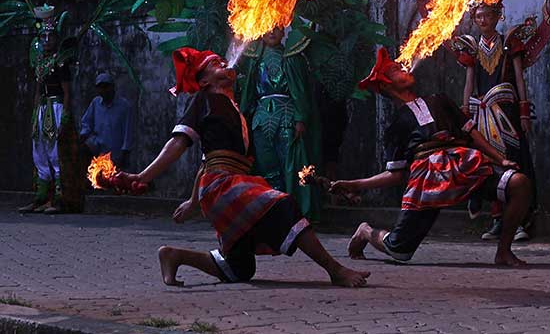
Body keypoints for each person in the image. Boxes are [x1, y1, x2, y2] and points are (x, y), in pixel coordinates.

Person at [120, 47, 368, 288]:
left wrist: (194, 201)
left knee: (239, 268)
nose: (225, 63)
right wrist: (143, 176)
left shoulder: (233, 109)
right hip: (222, 186)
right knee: (283, 205)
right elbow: (178, 143)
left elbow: (207, 160)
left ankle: (175, 255)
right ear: (204, 81)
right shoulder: (205, 99)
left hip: (226, 183)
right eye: (215, 64)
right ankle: (336, 270)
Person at [335, 47, 532, 267]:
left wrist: (499, 159)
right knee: (398, 250)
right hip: (426, 180)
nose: (403, 67)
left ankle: (503, 252)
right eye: (394, 69)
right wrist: (355, 184)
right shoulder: (396, 126)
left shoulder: (439, 100)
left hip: (463, 163)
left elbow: (471, 132)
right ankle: (366, 232)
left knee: (519, 183)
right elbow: (396, 174)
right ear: (385, 84)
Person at [452, 0, 535, 242]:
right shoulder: (472, 47)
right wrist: (465, 111)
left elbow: (519, 79)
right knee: (488, 166)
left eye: (487, 15)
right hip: (482, 115)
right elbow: (469, 82)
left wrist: (523, 111)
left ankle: (519, 221)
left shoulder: (509, 43)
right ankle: (498, 220)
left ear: (497, 17)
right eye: (478, 16)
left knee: (515, 161)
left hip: (507, 112)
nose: (482, 20)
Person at [237, 27, 321, 221]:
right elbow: (249, 91)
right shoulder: (254, 59)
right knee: (267, 166)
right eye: (267, 29)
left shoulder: (292, 57)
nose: (272, 33)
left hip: (286, 116)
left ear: (283, 33)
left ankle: (294, 211)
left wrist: (300, 117)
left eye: (276, 29)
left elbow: (299, 91)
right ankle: (271, 210)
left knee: (290, 166)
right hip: (260, 117)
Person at [19, 6, 81, 214]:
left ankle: (59, 200)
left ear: (57, 39)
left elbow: (67, 91)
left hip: (55, 107)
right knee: (39, 152)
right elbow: (37, 90)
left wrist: (65, 114)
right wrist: (34, 114)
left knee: (56, 154)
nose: (46, 40)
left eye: (50, 36)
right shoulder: (39, 62)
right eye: (43, 36)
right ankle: (40, 197)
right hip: (42, 109)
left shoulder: (61, 61)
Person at [80, 72, 135, 170]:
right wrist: (87, 139)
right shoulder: (96, 103)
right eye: (100, 88)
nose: (103, 90)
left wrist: (125, 151)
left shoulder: (124, 106)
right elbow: (86, 123)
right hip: (99, 152)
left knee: (117, 181)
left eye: (106, 87)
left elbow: (129, 132)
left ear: (112, 87)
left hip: (117, 154)